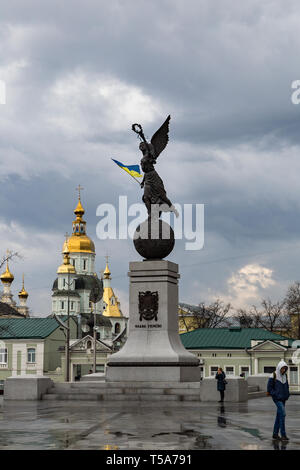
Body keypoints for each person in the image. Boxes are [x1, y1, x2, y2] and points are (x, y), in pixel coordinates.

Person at [267, 359, 290, 441]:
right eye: (282, 368)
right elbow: (269, 389)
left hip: (284, 398)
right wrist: (275, 394)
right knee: (283, 414)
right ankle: (283, 435)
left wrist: (287, 394)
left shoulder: (285, 376)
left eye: (285, 368)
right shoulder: (273, 375)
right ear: (279, 368)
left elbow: (287, 386)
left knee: (279, 415)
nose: (283, 370)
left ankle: (275, 434)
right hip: (277, 399)